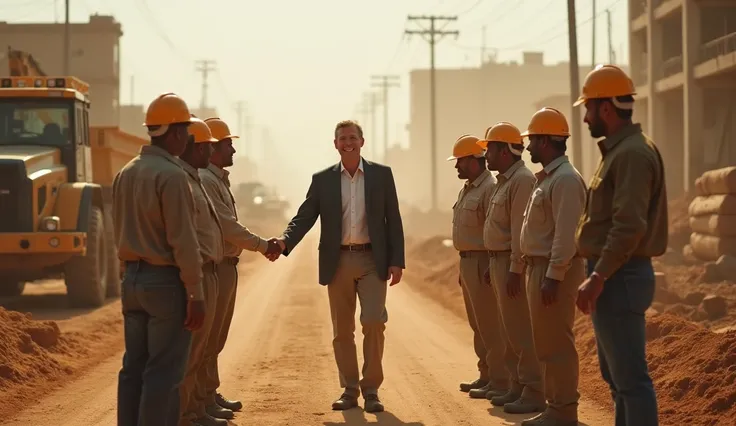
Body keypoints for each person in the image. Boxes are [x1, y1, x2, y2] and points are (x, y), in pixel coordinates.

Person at [271, 119, 405, 413]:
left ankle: (371, 390)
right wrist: (283, 242)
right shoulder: (323, 180)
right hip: (338, 261)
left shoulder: (381, 175)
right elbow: (305, 216)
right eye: (342, 138)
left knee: (373, 321)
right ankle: (349, 389)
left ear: (362, 141)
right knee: (342, 330)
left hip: (373, 259)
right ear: (335, 145)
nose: (348, 142)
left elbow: (392, 219)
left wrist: (397, 260)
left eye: (353, 137)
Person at [575, 64, 667, 426]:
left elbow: (628, 226)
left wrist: (598, 276)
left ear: (606, 109)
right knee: (618, 380)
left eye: (588, 109)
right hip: (613, 275)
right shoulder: (620, 151)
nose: (585, 118)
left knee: (630, 381)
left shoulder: (630, 154)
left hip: (619, 276)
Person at [114, 93, 205, 426]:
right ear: (177, 133)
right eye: (187, 131)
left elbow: (119, 229)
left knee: (133, 369)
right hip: (165, 284)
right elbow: (183, 241)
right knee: (164, 373)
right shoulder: (173, 176)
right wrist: (195, 294)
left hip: (132, 282)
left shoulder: (126, 172)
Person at [198, 117, 281, 420]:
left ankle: (208, 394)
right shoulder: (207, 180)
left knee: (216, 338)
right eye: (228, 145)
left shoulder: (217, 179)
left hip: (225, 266)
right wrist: (263, 245)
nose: (233, 151)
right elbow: (227, 227)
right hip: (216, 267)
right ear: (213, 149)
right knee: (207, 340)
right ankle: (200, 402)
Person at [519, 107, 587, 426]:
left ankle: (563, 410)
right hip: (541, 269)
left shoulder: (566, 181)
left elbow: (566, 233)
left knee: (557, 341)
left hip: (553, 272)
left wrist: (553, 276)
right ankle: (555, 406)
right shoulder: (549, 179)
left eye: (532, 140)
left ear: (546, 141)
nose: (528, 147)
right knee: (545, 341)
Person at [478, 122, 545, 414]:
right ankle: (517, 385)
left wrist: (515, 270)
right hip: (499, 260)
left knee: (520, 330)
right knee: (509, 329)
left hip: (510, 263)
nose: (486, 156)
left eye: (490, 149)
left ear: (505, 151)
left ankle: (533, 391)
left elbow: (520, 231)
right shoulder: (505, 181)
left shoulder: (521, 181)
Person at [446, 134, 510, 400]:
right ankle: (485, 375)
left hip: (484, 262)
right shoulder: (468, 188)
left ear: (475, 160)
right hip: (468, 262)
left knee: (491, 324)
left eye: (460, 161)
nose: (456, 166)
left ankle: (499, 380)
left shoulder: (489, 188)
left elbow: (491, 230)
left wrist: (487, 266)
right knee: (477, 323)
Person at [178, 117, 226, 426]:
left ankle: (199, 404)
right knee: (193, 350)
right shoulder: (186, 181)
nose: (226, 150)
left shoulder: (196, 178)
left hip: (209, 269)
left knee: (206, 345)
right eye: (210, 146)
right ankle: (188, 413)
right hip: (195, 273)